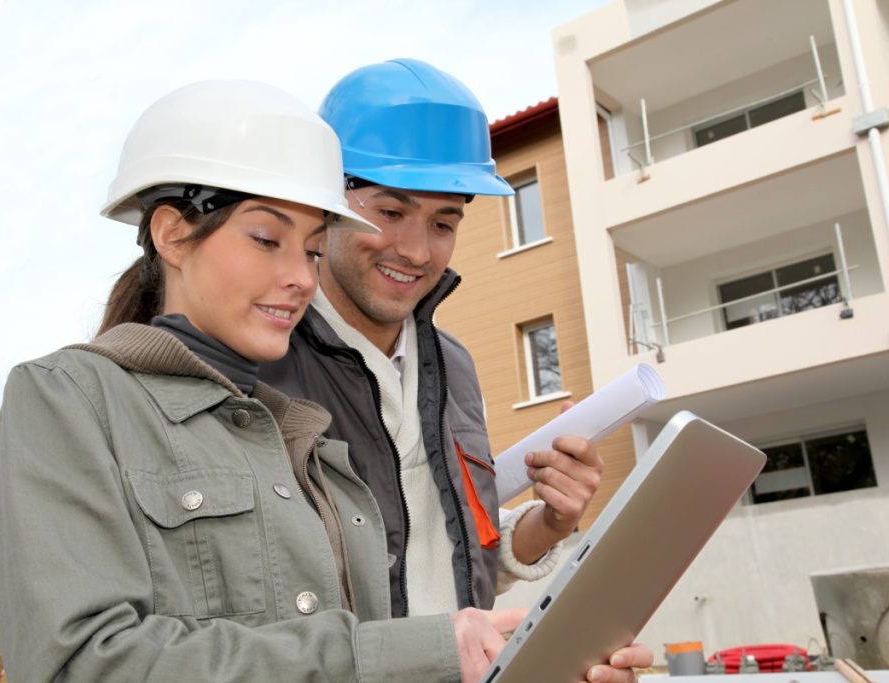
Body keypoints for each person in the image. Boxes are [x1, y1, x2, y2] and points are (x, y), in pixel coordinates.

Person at [0, 79, 529, 682]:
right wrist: (414, 652)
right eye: (268, 240)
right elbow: (82, 666)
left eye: (313, 250)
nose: (300, 277)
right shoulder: (67, 399)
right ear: (171, 234)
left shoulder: (307, 438)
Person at [259, 59, 653, 682]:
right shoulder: (262, 361)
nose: (418, 251)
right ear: (326, 204)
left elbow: (449, 550)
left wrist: (550, 524)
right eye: (390, 212)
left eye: (443, 223)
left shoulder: (454, 365)